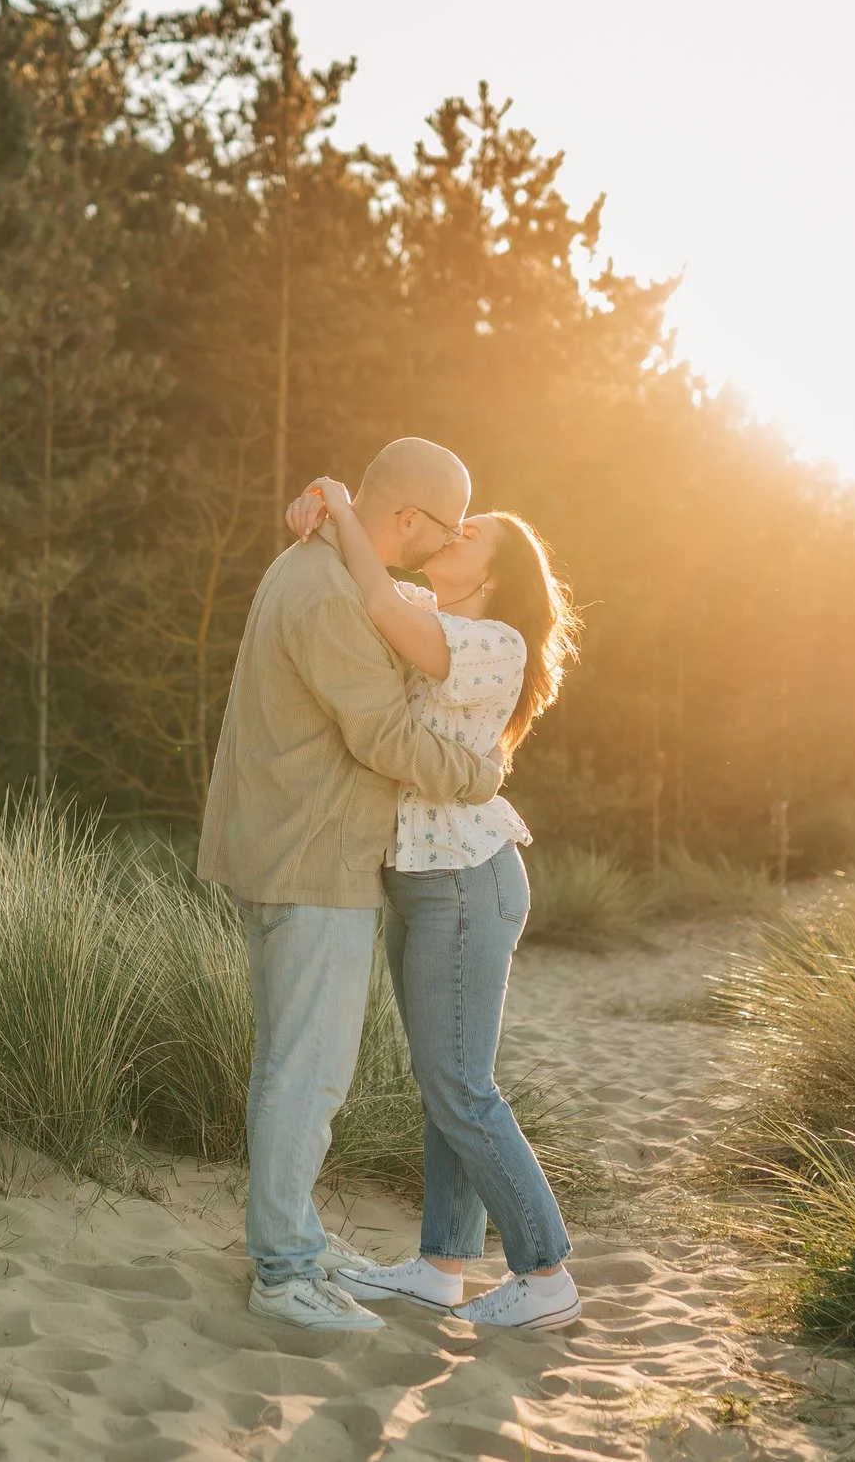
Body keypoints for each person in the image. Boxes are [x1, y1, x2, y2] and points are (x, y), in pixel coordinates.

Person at [197, 437, 508, 1333]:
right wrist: (480, 776)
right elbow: (382, 736)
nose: (443, 547)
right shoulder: (327, 592)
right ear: (407, 518)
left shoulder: (323, 562)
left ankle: (292, 1234)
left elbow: (410, 607)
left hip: (298, 850)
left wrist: (330, 495)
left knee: (291, 1064)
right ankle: (285, 1271)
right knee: (309, 1073)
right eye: (443, 528)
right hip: (311, 857)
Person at [283, 474, 584, 1331]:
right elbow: (366, 575)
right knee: (442, 1082)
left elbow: (377, 604)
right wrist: (318, 510)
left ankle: (546, 1271)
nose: (448, 535)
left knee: (461, 1084)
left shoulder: (495, 641)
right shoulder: (436, 610)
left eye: (469, 533)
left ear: (498, 573)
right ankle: (441, 1266)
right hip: (422, 884)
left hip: (465, 882)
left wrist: (343, 504)